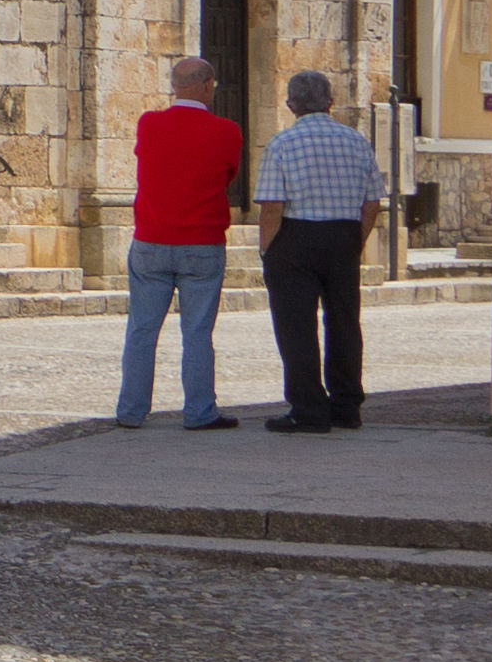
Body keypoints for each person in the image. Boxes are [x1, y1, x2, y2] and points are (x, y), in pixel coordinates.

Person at [113, 54, 246, 429]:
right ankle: (200, 410)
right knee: (198, 331)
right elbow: (228, 175)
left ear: (174, 86)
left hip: (152, 239)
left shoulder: (150, 124)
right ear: (207, 85)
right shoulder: (227, 131)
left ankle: (131, 410)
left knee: (141, 330)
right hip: (202, 241)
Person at [255, 67, 381, 431]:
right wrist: (356, 239)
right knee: (344, 321)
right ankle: (346, 405)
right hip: (343, 235)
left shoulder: (282, 144)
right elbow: (372, 201)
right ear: (331, 102)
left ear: (291, 104)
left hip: (296, 237)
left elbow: (272, 206)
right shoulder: (356, 141)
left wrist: (268, 251)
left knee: (297, 326)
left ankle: (309, 408)